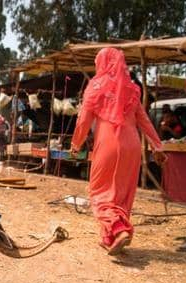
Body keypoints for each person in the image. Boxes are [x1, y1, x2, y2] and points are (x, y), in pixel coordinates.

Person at [70, 48, 167, 256]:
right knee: (120, 192)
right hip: (132, 146)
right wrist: (157, 146)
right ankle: (108, 237)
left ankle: (118, 228)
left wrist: (76, 143)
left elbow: (84, 120)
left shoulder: (96, 87)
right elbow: (145, 122)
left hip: (108, 145)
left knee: (100, 192)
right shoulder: (132, 90)